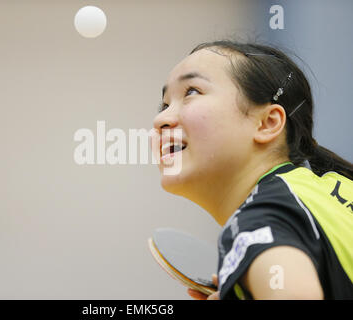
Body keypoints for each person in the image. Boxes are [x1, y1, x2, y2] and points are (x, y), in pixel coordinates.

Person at [150, 40, 353, 300]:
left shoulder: (259, 220)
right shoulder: (337, 187)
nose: (160, 120)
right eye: (164, 106)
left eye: (191, 92)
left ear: (267, 123)